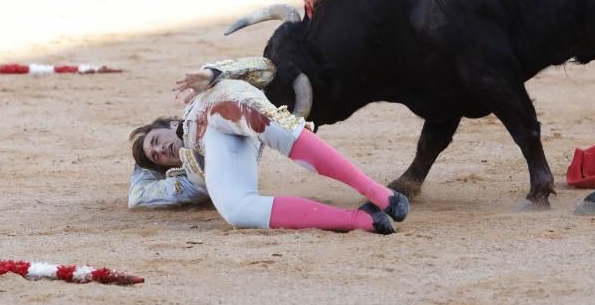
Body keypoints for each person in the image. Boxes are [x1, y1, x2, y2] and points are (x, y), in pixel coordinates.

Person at [128, 57, 409, 234]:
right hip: (219, 143)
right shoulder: (191, 178)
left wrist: (212, 73)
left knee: (264, 121)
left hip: (222, 104)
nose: (160, 151)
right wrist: (142, 161)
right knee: (236, 211)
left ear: (168, 123)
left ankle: (382, 194)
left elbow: (265, 68)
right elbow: (138, 197)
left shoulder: (201, 92)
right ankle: (358, 219)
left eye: (155, 141)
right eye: (157, 158)